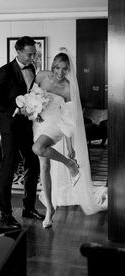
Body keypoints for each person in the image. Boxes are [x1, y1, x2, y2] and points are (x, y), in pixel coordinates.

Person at [31, 47, 107, 229]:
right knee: (44, 166)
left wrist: (70, 146)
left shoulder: (68, 88)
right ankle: (50, 209)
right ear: (52, 66)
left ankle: (70, 164)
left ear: (68, 70)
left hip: (56, 125)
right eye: (57, 67)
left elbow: (69, 119)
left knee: (37, 148)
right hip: (39, 123)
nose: (60, 72)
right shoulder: (41, 76)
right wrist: (34, 111)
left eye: (64, 69)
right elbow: (31, 97)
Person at [0, 36, 44, 231]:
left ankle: (29, 208)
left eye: (34, 54)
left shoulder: (32, 69)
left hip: (27, 127)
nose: (32, 58)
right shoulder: (4, 71)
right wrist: (15, 110)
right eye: (30, 54)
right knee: (8, 168)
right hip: (10, 127)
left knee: (33, 163)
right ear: (18, 51)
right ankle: (5, 215)